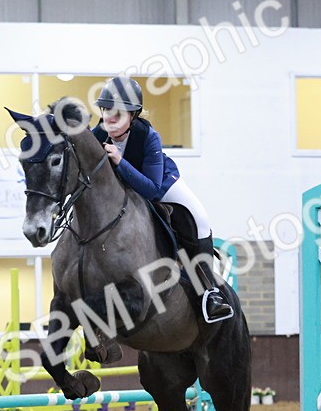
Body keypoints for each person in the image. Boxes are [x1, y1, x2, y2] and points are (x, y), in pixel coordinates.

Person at [91, 76, 233, 323]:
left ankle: (210, 293)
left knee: (199, 217)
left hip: (161, 185)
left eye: (117, 113)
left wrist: (119, 161)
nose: (109, 119)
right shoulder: (98, 134)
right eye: (105, 111)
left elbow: (152, 190)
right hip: (124, 191)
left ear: (133, 115)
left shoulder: (148, 136)